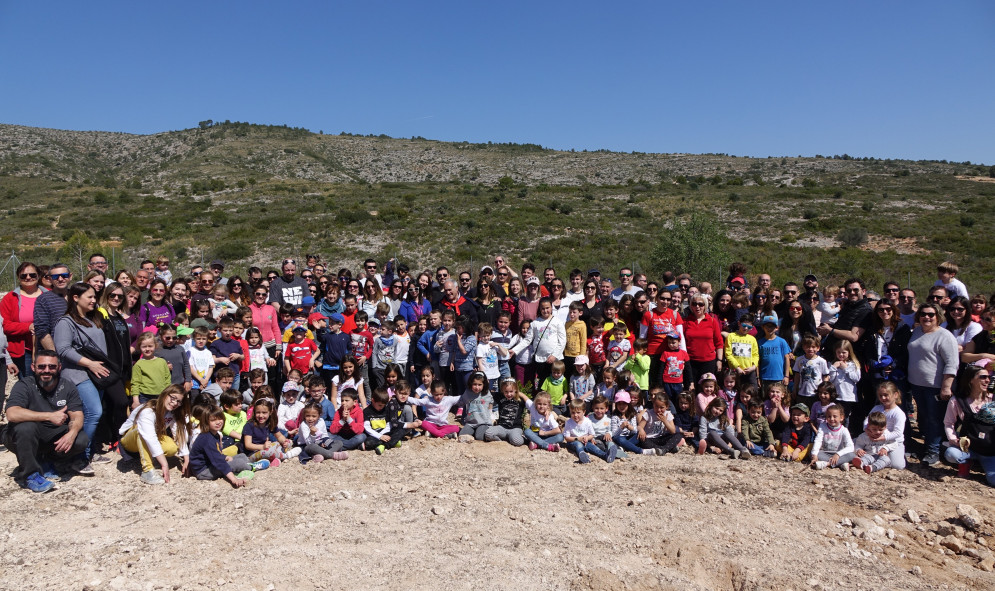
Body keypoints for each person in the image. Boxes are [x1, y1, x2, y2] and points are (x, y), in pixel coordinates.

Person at [3, 351, 88, 492]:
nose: (46, 370)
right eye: (42, 366)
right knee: (26, 428)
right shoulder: (24, 385)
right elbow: (12, 414)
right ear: (33, 367)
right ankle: (29, 475)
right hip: (22, 437)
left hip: (51, 436)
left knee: (81, 439)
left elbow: (77, 415)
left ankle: (47, 461)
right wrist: (49, 416)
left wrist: (72, 433)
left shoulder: (67, 386)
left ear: (59, 367)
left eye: (51, 366)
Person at [53, 282, 115, 473]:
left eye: (95, 297)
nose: (94, 300)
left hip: (97, 373)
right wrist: (89, 363)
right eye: (89, 297)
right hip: (78, 374)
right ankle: (78, 457)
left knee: (95, 414)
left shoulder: (92, 318)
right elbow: (62, 349)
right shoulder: (66, 322)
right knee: (93, 412)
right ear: (75, 298)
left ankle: (89, 451)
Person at [907, 303, 959, 465]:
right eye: (923, 314)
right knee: (924, 418)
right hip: (917, 384)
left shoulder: (945, 336)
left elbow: (952, 363)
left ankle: (933, 452)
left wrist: (946, 386)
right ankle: (928, 447)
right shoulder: (916, 331)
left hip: (935, 386)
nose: (926, 317)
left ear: (938, 317)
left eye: (931, 314)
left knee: (934, 419)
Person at [118, 385, 191, 485]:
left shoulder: (172, 413)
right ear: (165, 394)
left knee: (171, 448)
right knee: (142, 432)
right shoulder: (148, 410)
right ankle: (147, 471)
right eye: (173, 398)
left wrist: (186, 459)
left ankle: (148, 456)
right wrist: (164, 464)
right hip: (129, 440)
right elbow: (149, 436)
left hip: (150, 438)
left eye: (178, 401)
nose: (174, 403)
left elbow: (179, 433)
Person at [942, 365, 994, 482]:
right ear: (971, 379)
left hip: (990, 450)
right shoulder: (957, 401)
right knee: (951, 454)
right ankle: (966, 463)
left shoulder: (992, 399)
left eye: (989, 377)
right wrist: (953, 439)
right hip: (968, 447)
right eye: (983, 377)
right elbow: (949, 422)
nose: (987, 380)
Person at [1, 261, 46, 377]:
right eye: (23, 275)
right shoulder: (10, 298)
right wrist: (28, 327)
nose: (28, 278)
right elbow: (4, 325)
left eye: (32, 275)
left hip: (47, 346)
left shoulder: (49, 295)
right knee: (28, 383)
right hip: (23, 350)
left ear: (38, 276)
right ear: (18, 277)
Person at [809, 405, 854, 471]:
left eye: (835, 416)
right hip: (825, 453)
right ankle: (841, 464)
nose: (832, 419)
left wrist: (838, 454)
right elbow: (818, 440)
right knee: (811, 453)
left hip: (839, 455)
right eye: (829, 416)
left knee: (852, 455)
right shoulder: (822, 427)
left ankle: (827, 464)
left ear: (841, 418)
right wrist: (814, 455)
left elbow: (850, 447)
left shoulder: (844, 430)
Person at [484, 378, 527, 446]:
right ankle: (501, 442)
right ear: (502, 391)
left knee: (517, 441)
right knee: (488, 433)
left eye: (511, 391)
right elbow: (488, 393)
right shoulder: (500, 396)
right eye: (506, 392)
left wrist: (520, 394)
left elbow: (531, 404)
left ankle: (522, 438)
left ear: (515, 390)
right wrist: (486, 383)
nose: (508, 394)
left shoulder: (520, 399)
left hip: (515, 428)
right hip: (502, 427)